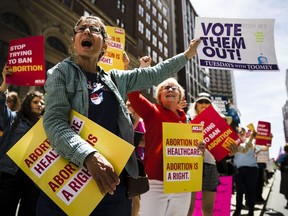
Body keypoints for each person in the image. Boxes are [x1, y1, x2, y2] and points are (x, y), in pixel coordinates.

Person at [39, 15, 201, 216]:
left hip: (113, 185)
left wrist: (187, 54)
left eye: (95, 29)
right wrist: (88, 156)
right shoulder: (60, 73)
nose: (87, 32)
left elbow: (155, 73)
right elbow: (54, 122)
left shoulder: (115, 78)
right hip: (69, 183)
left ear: (105, 45)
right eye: (81, 29)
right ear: (74, 40)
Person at [128, 77, 205, 216]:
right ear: (159, 97)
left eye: (174, 88)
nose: (170, 89)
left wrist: (199, 149)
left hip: (182, 182)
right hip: (156, 182)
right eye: (166, 87)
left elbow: (192, 153)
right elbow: (133, 95)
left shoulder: (187, 122)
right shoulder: (152, 111)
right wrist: (143, 68)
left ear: (180, 96)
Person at [0, 64, 45, 216]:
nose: (40, 105)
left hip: (33, 179)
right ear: (27, 104)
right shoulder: (14, 119)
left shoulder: (46, 126)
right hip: (11, 175)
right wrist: (5, 83)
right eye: (36, 102)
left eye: (42, 103)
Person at [186, 92, 237, 216]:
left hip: (210, 165)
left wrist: (231, 151)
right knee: (188, 209)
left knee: (208, 210)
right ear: (196, 105)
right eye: (200, 102)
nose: (203, 104)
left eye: (207, 102)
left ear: (211, 104)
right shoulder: (188, 120)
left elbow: (226, 150)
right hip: (192, 165)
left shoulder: (220, 122)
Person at [233, 127, 259, 216]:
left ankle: (251, 211)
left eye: (242, 132)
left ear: (245, 133)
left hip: (251, 170)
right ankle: (238, 210)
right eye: (239, 132)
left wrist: (252, 137)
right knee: (239, 191)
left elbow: (246, 148)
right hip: (239, 170)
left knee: (250, 191)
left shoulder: (251, 141)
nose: (241, 133)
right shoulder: (234, 143)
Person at [276, 144, 288, 209]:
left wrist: (279, 167)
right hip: (285, 172)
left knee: (285, 187)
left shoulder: (282, 155)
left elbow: (276, 163)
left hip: (285, 173)